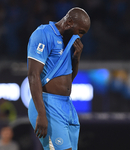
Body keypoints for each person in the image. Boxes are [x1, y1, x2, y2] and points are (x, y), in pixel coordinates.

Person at [27, 7, 90, 150]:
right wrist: (41, 114)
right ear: (68, 23)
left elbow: (68, 80)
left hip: (66, 105)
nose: (80, 37)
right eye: (80, 31)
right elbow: (33, 75)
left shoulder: (67, 41)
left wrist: (76, 58)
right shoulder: (43, 34)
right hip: (49, 105)